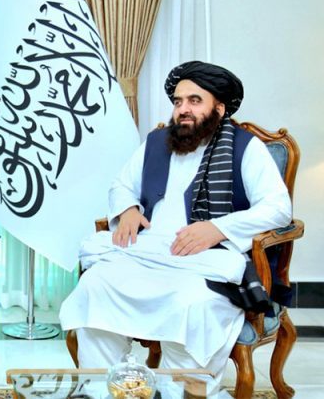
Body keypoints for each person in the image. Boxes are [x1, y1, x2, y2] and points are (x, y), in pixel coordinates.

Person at [59, 61, 292, 387]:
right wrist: (128, 209)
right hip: (147, 252)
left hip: (204, 261)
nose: (183, 109)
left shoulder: (245, 148)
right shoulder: (157, 142)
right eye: (178, 101)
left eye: (195, 100)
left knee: (191, 305)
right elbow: (121, 185)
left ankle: (178, 392)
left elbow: (278, 208)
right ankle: (102, 390)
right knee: (94, 286)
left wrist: (218, 228)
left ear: (219, 108)